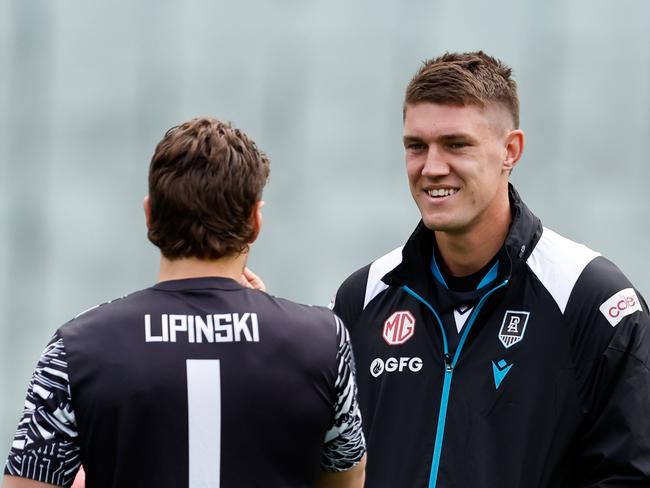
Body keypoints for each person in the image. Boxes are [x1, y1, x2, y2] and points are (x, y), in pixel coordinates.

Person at [331, 52, 650, 487]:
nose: (432, 167)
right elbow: (317, 457)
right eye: (416, 146)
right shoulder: (363, 296)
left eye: (456, 144)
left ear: (510, 150)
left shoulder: (590, 298)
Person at [3, 117, 366, 488]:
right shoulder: (322, 341)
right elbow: (346, 480)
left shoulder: (77, 346)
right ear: (256, 221)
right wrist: (268, 325)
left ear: (149, 215)